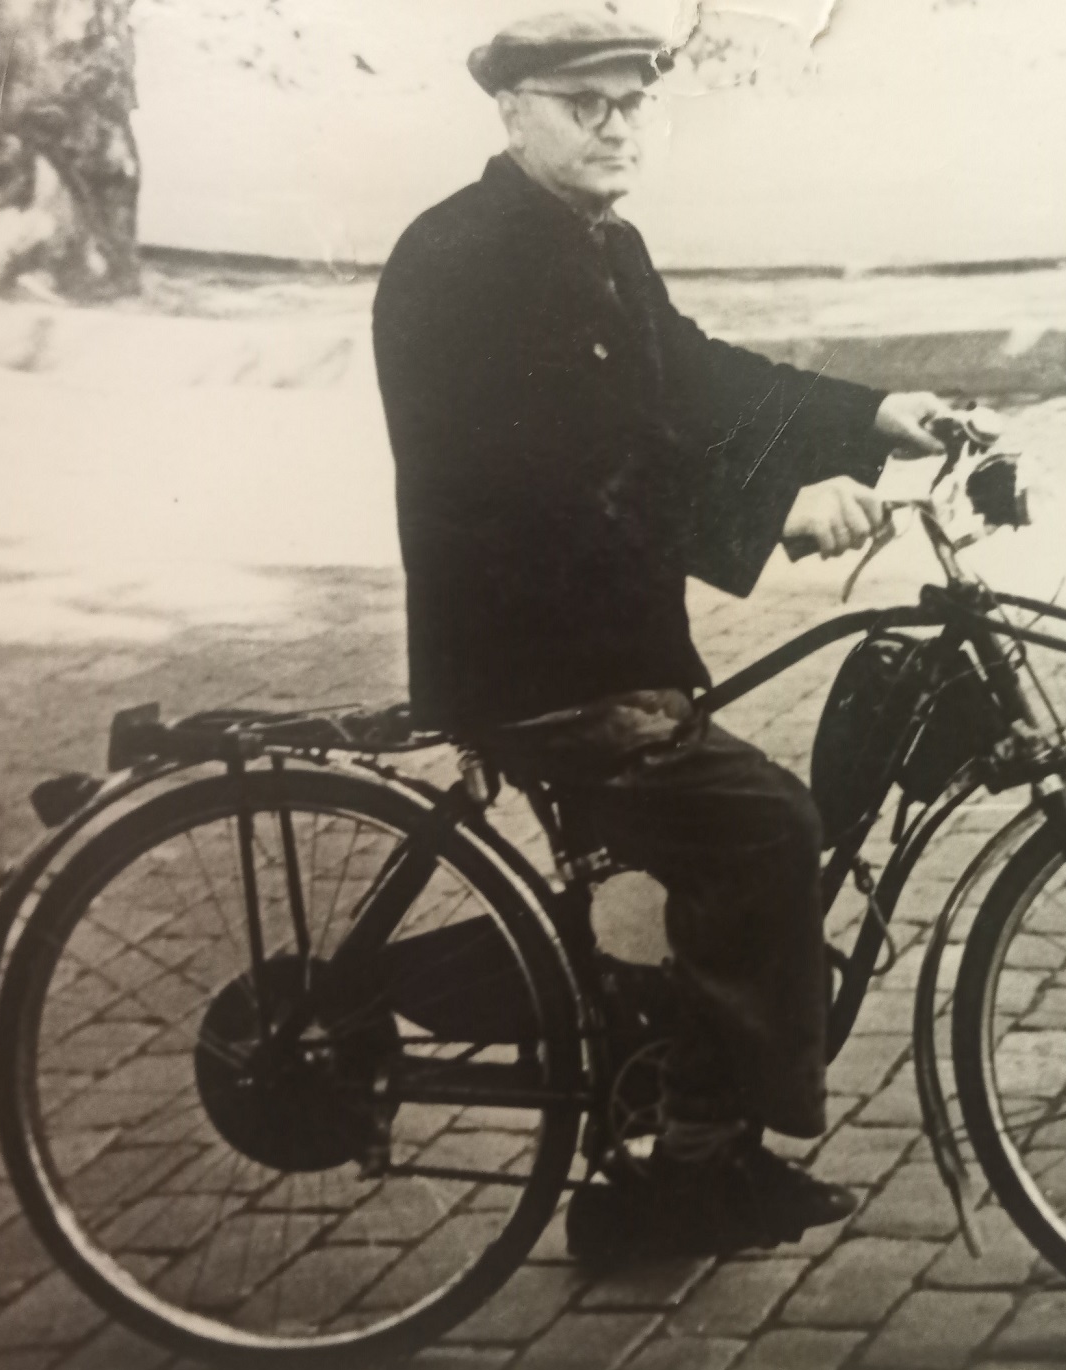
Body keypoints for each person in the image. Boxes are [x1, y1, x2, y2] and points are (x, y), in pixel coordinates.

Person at [372, 11, 950, 1258]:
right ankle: (694, 1168)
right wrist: (770, 512)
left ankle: (666, 1111)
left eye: (630, 102)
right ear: (511, 111)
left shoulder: (594, 243)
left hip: (599, 644)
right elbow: (577, 468)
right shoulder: (465, 260)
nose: (614, 124)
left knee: (716, 843)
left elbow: (689, 379)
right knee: (766, 829)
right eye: (582, 103)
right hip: (535, 659)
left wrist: (869, 415)